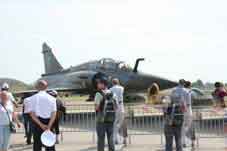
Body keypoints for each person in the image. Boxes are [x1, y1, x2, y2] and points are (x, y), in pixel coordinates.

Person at [27, 80, 57, 151]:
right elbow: (54, 113)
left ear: (37, 87)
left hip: (38, 123)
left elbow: (32, 114)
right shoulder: (52, 98)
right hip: (49, 122)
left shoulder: (32, 98)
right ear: (46, 87)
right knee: (50, 144)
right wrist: (49, 125)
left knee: (37, 145)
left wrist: (41, 125)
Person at [164, 79, 187, 151]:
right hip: (178, 122)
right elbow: (184, 110)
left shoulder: (168, 102)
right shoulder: (181, 103)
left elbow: (165, 111)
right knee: (178, 139)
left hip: (169, 123)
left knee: (168, 141)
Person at [95, 78, 117, 151]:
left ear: (103, 84)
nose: (97, 84)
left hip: (101, 120)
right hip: (111, 119)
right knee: (111, 138)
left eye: (99, 83)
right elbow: (116, 107)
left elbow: (97, 108)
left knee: (101, 139)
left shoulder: (98, 94)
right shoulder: (113, 94)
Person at [110, 78, 127, 145]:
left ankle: (115, 139)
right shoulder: (121, 88)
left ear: (112, 83)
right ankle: (122, 139)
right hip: (121, 106)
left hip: (114, 107)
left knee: (114, 123)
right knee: (121, 123)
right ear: (118, 82)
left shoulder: (110, 89)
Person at [183, 81, 195, 148]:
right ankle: (191, 143)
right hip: (189, 110)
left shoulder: (182, 92)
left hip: (182, 111)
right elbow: (192, 101)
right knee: (190, 127)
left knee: (183, 127)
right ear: (189, 85)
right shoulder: (190, 92)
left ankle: (183, 142)